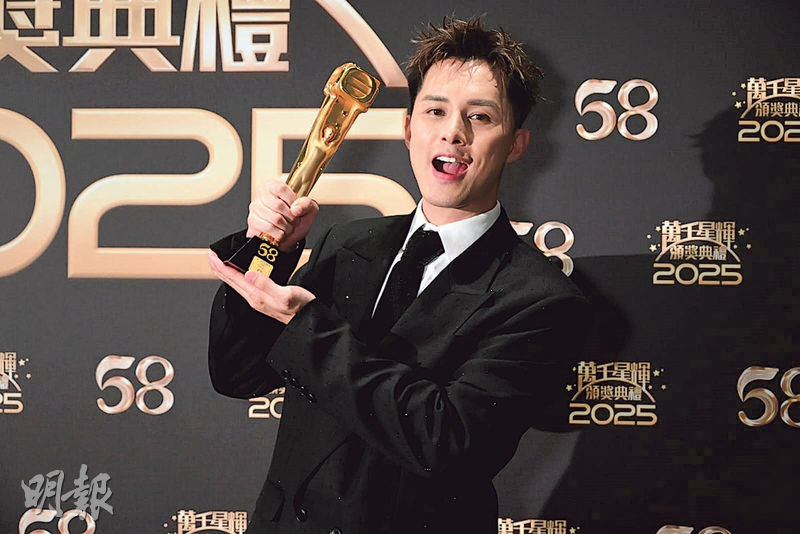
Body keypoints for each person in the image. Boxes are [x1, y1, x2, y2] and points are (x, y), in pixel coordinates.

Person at [207, 16, 588, 534]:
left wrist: (307, 325)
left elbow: (445, 442)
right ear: (409, 129)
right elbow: (237, 374)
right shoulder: (349, 243)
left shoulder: (540, 299)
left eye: (480, 116)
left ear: (516, 144)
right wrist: (270, 249)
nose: (453, 131)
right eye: (435, 111)